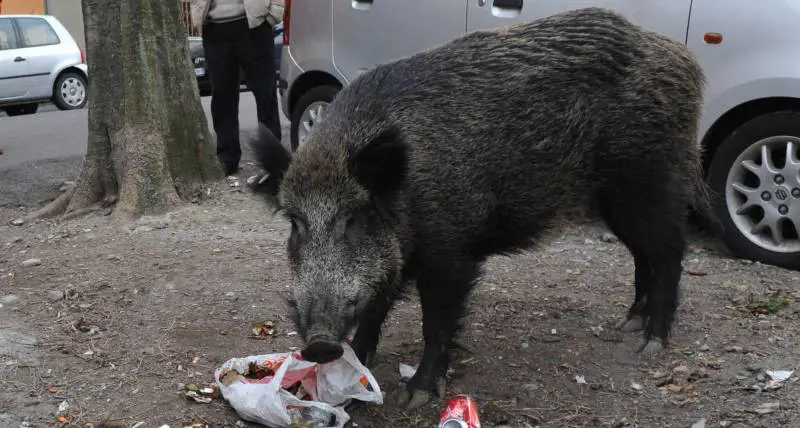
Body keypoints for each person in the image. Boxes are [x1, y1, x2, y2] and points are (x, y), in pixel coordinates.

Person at [190, 0, 284, 176]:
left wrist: (274, 13)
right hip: (214, 28)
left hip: (254, 24)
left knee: (265, 94)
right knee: (222, 98)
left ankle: (273, 160)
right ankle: (227, 158)